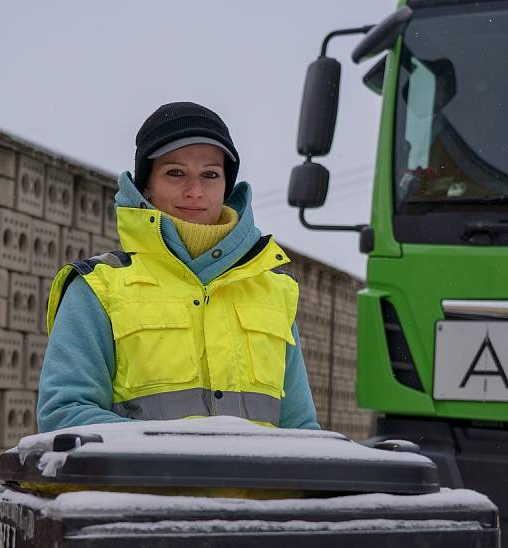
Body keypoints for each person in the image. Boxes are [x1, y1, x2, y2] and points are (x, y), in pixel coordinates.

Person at [37, 102, 319, 432]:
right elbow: (64, 413)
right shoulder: (98, 288)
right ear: (146, 186)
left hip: (256, 487)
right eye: (175, 173)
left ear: (226, 187)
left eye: (210, 175)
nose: (195, 191)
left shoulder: (275, 291)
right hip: (142, 487)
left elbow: (301, 429)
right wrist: (187, 458)